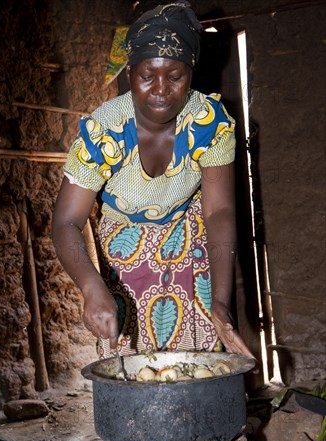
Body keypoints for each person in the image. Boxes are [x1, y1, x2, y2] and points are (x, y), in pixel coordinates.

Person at [52, 1, 253, 363]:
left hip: (188, 242)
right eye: (148, 76)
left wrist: (221, 301)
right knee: (131, 365)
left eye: (175, 77)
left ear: (190, 74)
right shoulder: (104, 133)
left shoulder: (210, 124)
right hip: (126, 251)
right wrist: (91, 285)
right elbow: (66, 221)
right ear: (130, 74)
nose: (161, 89)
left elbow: (219, 210)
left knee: (199, 361)